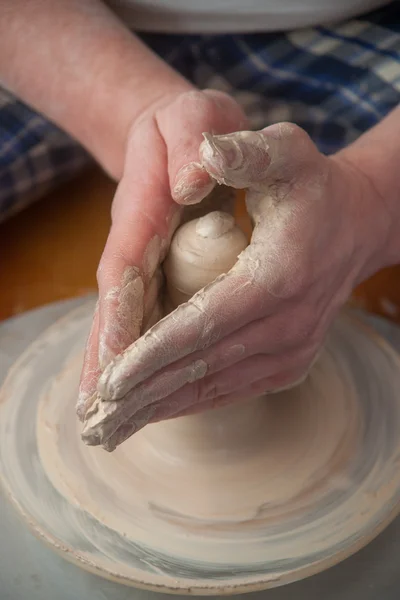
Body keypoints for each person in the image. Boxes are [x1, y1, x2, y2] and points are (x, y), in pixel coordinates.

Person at [1, 1, 400, 440]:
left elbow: (371, 196)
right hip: (68, 30)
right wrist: (136, 110)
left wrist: (371, 197)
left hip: (350, 30)